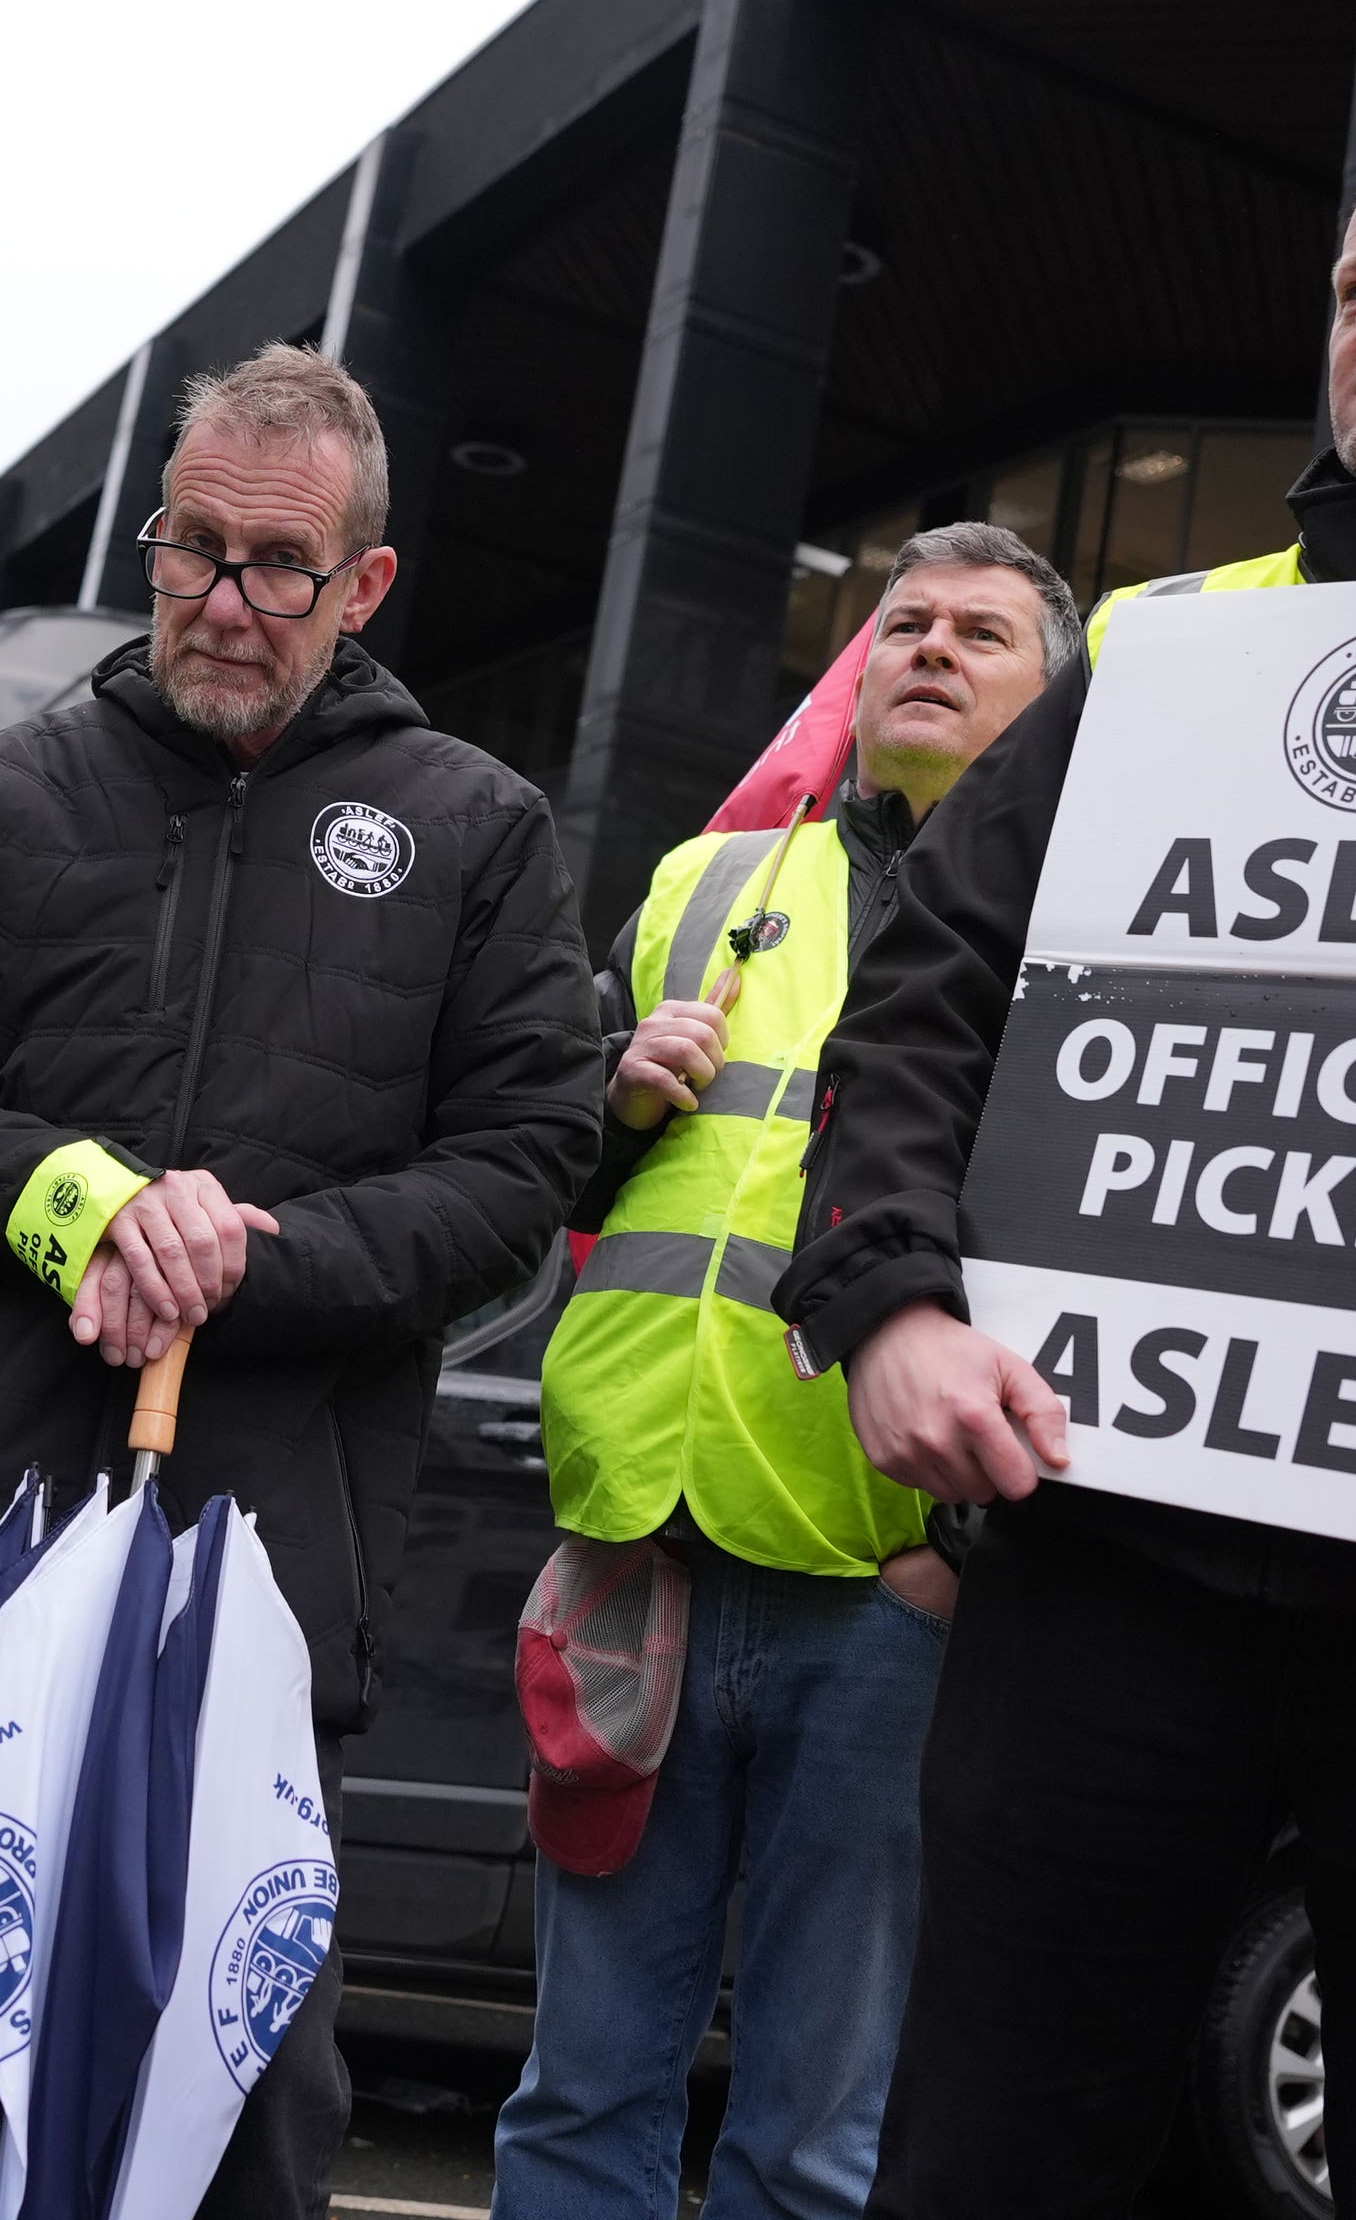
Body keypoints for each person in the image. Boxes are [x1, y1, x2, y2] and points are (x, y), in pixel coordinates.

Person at [773, 130, 1356, 2219]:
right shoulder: (1168, 652)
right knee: (997, 2159)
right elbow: (926, 996)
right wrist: (889, 1296)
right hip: (1118, 1564)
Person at [0, 341, 601, 2217]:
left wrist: (259, 1252)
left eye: (277, 566)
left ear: (368, 584)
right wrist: (76, 1203)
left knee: (230, 2121)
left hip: (260, 1575)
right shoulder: (10, 791)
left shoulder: (478, 832)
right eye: (190, 549)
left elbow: (518, 1166)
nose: (224, 604)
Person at [491, 523, 1078, 2220]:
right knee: (579, 2097)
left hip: (881, 1596)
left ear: (1053, 702)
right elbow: (551, 1181)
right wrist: (607, 1097)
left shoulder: (1091, 913)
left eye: (982, 634)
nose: (932, 651)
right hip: (643, 1561)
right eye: (904, 624)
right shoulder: (709, 883)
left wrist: (957, 1564)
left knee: (818, 2143)